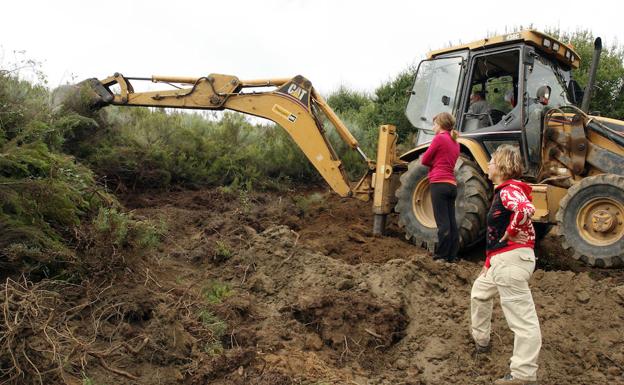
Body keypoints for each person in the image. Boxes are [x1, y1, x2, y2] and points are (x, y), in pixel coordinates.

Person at [470, 145, 541, 385]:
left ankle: (522, 375)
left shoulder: (509, 191)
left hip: (511, 262)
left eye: (491, 161)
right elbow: (494, 233)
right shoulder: (503, 191)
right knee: (480, 292)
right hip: (501, 261)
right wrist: (488, 262)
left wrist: (511, 232)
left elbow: (526, 209)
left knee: (523, 322)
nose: (488, 165)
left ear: (500, 166)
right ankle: (481, 342)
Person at [420, 112, 460, 263]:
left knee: (442, 222)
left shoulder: (439, 138)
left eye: (435, 123)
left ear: (441, 124)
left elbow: (425, 159)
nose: (433, 126)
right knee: (451, 222)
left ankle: (441, 256)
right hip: (451, 185)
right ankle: (452, 256)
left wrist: (435, 165)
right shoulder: (456, 142)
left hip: (439, 183)